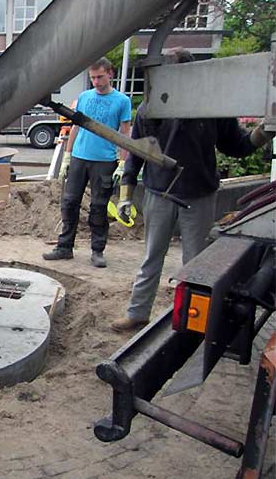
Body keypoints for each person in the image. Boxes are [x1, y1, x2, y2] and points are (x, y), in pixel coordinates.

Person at [110, 47, 274, 332]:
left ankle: (192, 320)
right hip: (159, 193)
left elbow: (237, 146)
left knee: (195, 264)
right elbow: (136, 152)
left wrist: (266, 130)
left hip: (198, 195)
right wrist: (125, 194)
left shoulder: (212, 107)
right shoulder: (153, 108)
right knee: (151, 258)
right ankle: (138, 313)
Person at [44, 57, 132, 268]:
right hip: (79, 158)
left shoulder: (122, 101)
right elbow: (75, 127)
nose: (96, 82)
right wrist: (68, 154)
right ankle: (65, 247)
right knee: (69, 203)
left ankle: (97, 250)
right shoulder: (84, 97)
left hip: (104, 161)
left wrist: (122, 162)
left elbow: (125, 134)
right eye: (92, 78)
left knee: (99, 207)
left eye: (100, 77)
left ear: (110, 74)